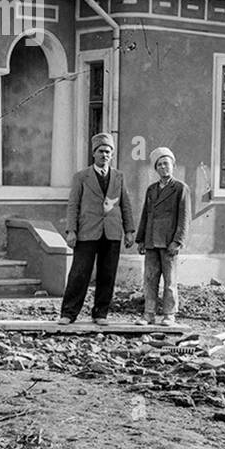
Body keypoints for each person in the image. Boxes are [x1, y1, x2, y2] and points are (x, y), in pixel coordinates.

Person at [60, 132, 135, 325]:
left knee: (107, 274)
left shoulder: (119, 176)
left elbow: (125, 205)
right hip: (87, 231)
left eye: (108, 152)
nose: (104, 155)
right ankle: (68, 313)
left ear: (112, 155)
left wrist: (129, 230)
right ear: (94, 153)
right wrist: (71, 230)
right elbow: (73, 205)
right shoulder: (81, 177)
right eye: (101, 151)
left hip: (112, 232)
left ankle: (100, 313)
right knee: (79, 273)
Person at [136, 147, 189, 326]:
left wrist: (178, 241)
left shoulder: (180, 188)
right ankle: (148, 314)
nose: (163, 167)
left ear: (173, 165)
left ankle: (169, 314)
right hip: (151, 240)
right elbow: (146, 214)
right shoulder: (151, 189)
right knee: (150, 279)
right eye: (159, 165)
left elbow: (184, 217)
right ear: (156, 169)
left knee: (170, 280)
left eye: (166, 163)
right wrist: (141, 239)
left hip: (168, 242)